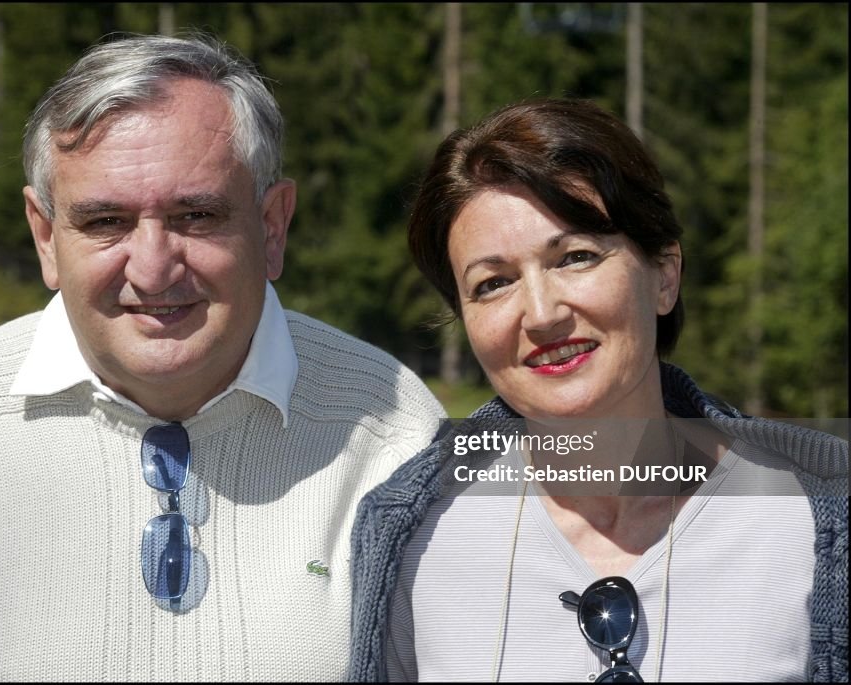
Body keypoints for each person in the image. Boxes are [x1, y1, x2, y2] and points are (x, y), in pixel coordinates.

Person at [0, 33, 447, 681]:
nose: (152, 269)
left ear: (272, 226)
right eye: (105, 222)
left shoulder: (397, 439)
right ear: (45, 235)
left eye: (196, 214)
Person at [347, 99, 847, 682]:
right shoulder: (412, 540)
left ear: (664, 276)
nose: (540, 313)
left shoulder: (814, 521)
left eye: (576, 257)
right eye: (493, 283)